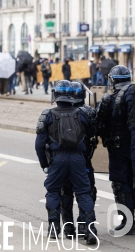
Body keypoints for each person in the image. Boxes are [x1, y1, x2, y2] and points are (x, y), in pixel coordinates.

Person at [35, 80, 97, 244]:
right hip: (78, 159)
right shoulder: (83, 113)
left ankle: (54, 228)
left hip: (57, 159)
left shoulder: (47, 114)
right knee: (84, 193)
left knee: (55, 192)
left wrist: (45, 165)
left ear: (55, 95)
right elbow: (93, 134)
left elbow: (39, 144)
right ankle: (89, 230)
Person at [96, 65, 135, 234]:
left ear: (112, 80)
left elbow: (97, 124)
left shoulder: (109, 98)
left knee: (121, 185)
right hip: (130, 146)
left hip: (118, 149)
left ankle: (127, 222)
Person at [60, 82, 98, 238]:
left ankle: (68, 228)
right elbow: (96, 130)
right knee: (87, 192)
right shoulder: (87, 112)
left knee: (65, 193)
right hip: (83, 159)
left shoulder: (56, 111)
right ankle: (84, 225)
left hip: (61, 160)